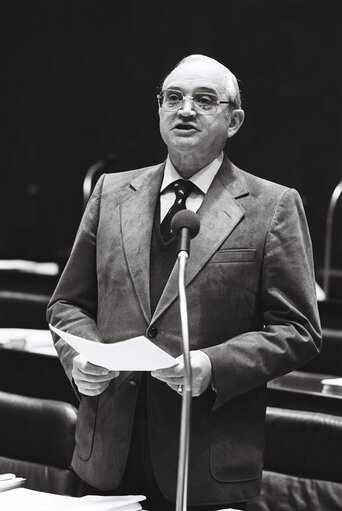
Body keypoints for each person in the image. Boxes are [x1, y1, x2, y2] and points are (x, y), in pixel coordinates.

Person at [47, 54, 321, 510]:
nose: (185, 109)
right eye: (173, 98)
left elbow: (299, 330)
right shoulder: (111, 193)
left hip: (204, 461)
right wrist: (79, 356)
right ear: (158, 110)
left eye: (203, 99)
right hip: (105, 454)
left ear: (233, 121)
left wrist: (213, 365)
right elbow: (67, 305)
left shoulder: (272, 206)